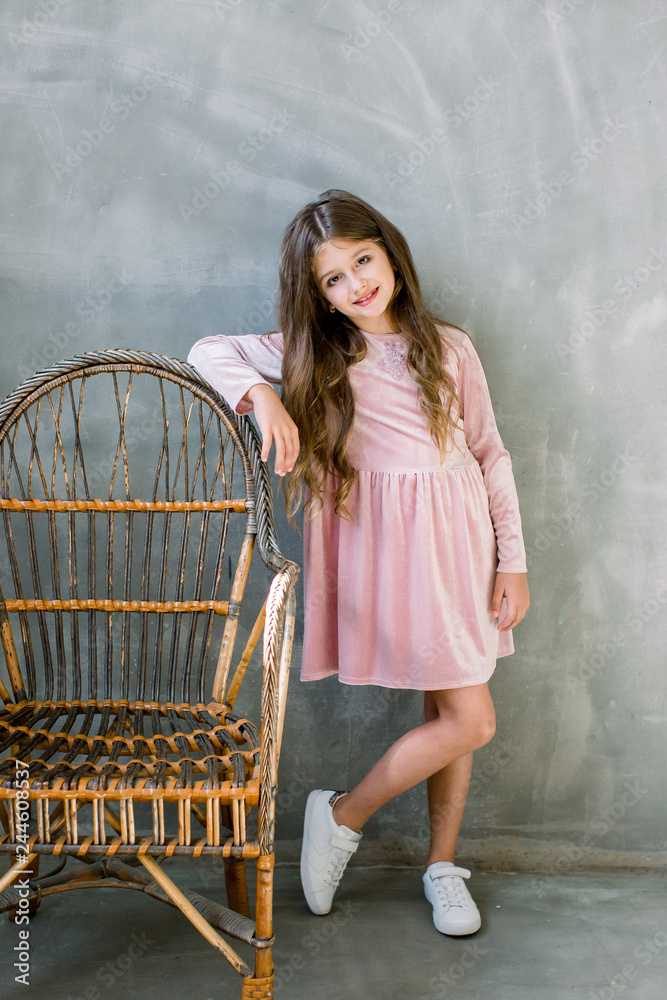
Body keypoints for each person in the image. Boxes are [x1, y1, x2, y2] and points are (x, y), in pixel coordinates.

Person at [188, 189, 529, 936]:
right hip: (391, 552)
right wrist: (261, 395)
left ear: (388, 250)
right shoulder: (316, 352)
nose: (355, 286)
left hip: (461, 545)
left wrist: (513, 560)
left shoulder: (450, 346)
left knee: (454, 712)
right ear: (317, 295)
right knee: (468, 718)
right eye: (332, 279)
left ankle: (438, 865)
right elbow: (205, 350)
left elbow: (488, 453)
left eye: (362, 262)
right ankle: (344, 817)